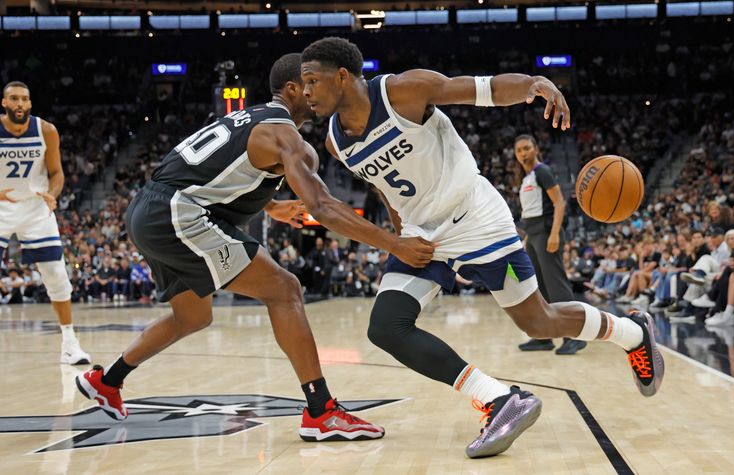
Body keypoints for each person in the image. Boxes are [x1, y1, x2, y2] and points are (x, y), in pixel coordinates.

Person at [301, 37, 664, 459]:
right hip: (423, 234)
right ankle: (499, 400)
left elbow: (483, 89)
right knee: (385, 326)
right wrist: (399, 234)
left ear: (342, 76)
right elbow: (384, 186)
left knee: (538, 322)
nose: (306, 91)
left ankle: (633, 333)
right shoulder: (333, 141)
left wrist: (533, 84)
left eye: (312, 80)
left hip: (476, 218)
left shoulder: (403, 91)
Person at [75, 54, 435, 443]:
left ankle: (106, 380)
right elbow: (322, 206)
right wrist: (393, 243)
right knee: (285, 290)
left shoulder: (249, 118)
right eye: (310, 85)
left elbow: (207, 170)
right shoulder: (283, 134)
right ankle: (322, 411)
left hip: (149, 210)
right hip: (178, 215)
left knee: (192, 316)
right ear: (292, 89)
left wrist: (272, 205)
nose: (316, 94)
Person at [0, 81, 90, 364]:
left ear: (29, 104)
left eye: (23, 99)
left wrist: (52, 195)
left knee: (56, 274)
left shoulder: (46, 130)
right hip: (1, 205)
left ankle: (69, 344)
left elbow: (56, 173)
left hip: (36, 206)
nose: (19, 104)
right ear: (4, 103)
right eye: (13, 98)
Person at [513, 134, 585, 355]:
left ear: (535, 149)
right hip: (533, 235)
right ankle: (543, 337)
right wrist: (526, 240)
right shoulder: (526, 178)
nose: (523, 153)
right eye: (519, 150)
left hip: (546, 232)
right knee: (538, 289)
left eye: (527, 148)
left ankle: (574, 336)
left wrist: (554, 234)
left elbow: (559, 203)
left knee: (556, 286)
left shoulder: (542, 171)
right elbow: (529, 213)